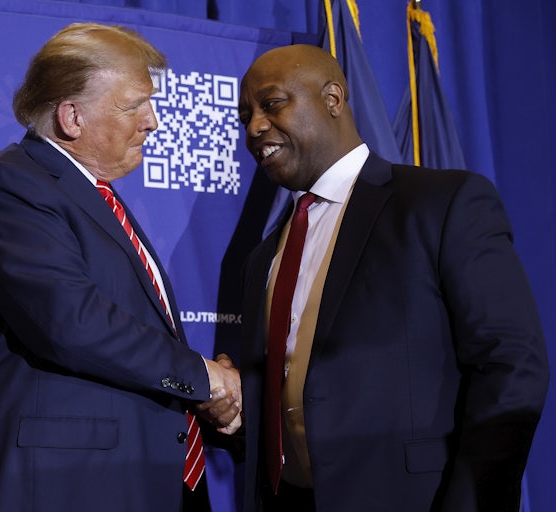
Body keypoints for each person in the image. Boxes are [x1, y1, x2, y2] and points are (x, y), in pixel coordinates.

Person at [233, 43, 550, 511]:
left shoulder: (442, 204)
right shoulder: (264, 256)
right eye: (246, 116)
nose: (255, 127)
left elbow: (511, 365)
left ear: (332, 99)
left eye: (272, 104)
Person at [0, 23, 242, 512]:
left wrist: (201, 395)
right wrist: (200, 376)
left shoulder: (93, 197)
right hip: (64, 487)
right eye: (134, 105)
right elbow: (71, 322)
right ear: (72, 117)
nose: (152, 121)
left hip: (139, 476)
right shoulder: (14, 183)